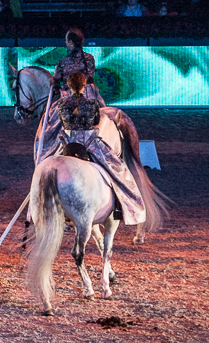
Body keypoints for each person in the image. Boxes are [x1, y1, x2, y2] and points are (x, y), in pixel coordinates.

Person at [50, 72, 145, 225]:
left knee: (46, 163)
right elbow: (95, 122)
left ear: (69, 86)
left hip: (68, 143)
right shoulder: (92, 104)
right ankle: (123, 207)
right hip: (88, 144)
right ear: (84, 86)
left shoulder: (61, 104)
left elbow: (63, 121)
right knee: (119, 170)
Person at [51, 28, 105, 106]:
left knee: (51, 114)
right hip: (89, 96)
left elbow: (55, 83)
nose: (65, 42)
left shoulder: (62, 62)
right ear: (82, 41)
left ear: (71, 42)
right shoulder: (90, 59)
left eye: (66, 40)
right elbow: (90, 78)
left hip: (69, 98)